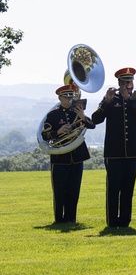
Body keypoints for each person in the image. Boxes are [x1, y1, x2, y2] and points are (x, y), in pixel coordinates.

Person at [90, 67, 136, 228]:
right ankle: (112, 220)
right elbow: (95, 119)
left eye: (130, 82)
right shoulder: (110, 99)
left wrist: (129, 100)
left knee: (128, 188)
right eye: (125, 83)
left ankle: (125, 221)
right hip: (114, 152)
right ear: (120, 83)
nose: (128, 85)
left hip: (133, 151)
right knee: (113, 188)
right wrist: (106, 102)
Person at [41, 84, 95, 224]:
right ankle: (59, 219)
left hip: (77, 156)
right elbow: (45, 135)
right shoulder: (53, 115)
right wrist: (58, 132)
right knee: (59, 191)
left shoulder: (77, 112)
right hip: (60, 157)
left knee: (74, 190)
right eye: (67, 96)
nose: (70, 98)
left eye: (71, 96)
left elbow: (92, 125)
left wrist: (82, 116)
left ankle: (71, 218)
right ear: (60, 98)